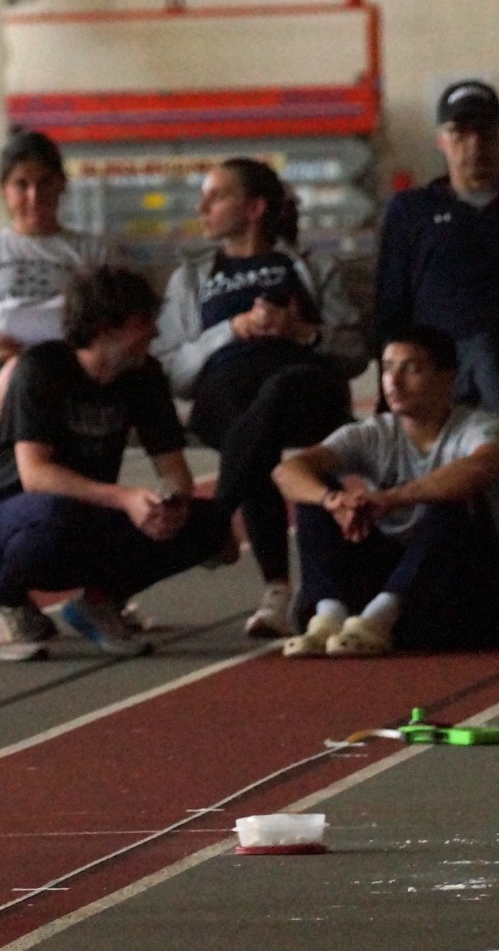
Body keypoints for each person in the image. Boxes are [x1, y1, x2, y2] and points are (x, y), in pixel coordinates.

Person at [0, 265, 231, 662]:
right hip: (7, 524)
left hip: (83, 521)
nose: (155, 334)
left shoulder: (145, 377)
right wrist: (124, 498)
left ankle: (102, 600)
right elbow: (35, 475)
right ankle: (0, 602)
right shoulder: (42, 369)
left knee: (208, 522)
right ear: (106, 327)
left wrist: (170, 505)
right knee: (57, 511)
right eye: (144, 323)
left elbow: (174, 470)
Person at [152, 157, 368, 638]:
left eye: (216, 196)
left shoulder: (312, 268)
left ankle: (227, 533)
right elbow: (173, 371)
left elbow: (354, 352)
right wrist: (231, 330)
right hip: (223, 392)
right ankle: (272, 578)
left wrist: (300, 331)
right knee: (251, 419)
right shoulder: (191, 279)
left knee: (268, 403)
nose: (202, 207)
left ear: (253, 208)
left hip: (303, 389)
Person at [374, 80, 499, 526]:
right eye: (460, 133)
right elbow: (390, 304)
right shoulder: (412, 211)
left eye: (485, 132)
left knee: (490, 354)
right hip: (438, 374)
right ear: (441, 139)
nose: (474, 145)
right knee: (479, 351)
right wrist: (389, 389)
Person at [271, 326, 499, 657]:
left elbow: (479, 468)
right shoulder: (374, 433)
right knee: (315, 498)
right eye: (388, 368)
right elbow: (287, 471)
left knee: (453, 504)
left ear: (448, 378)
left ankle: (377, 620)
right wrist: (334, 501)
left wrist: (390, 498)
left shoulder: (483, 427)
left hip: (461, 578)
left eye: (411, 369)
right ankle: (329, 618)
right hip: (389, 568)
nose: (394, 381)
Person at [0, 130, 117, 527]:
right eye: (21, 185)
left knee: (24, 373)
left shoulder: (92, 252)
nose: (34, 196)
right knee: (12, 380)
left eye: (45, 182)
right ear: (4, 190)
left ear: (62, 184)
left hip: (64, 375)